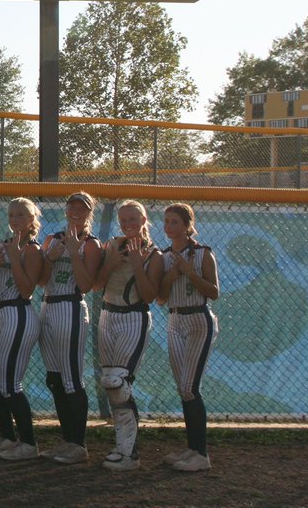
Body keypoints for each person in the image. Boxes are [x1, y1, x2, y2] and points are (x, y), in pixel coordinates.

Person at [93, 199, 164, 471]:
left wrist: (137, 264)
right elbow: (96, 285)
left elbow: (150, 296)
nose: (128, 225)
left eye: (133, 219)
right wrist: (110, 263)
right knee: (110, 384)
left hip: (134, 316)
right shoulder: (111, 245)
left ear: (144, 220)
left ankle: (129, 454)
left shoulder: (154, 254)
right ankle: (121, 447)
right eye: (123, 220)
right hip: (108, 315)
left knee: (118, 381)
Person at [38, 191, 103, 464]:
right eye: (72, 206)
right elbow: (40, 280)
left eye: (82, 208)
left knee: (71, 379)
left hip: (70, 306)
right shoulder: (52, 239)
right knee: (54, 379)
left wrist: (74, 253)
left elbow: (87, 285)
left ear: (90, 213)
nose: (76, 211)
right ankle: (67, 440)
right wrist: (50, 257)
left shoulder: (91, 244)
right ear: (66, 209)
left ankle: (78, 444)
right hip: (47, 305)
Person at [0, 197, 44, 461]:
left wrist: (15, 258)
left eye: (20, 215)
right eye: (11, 215)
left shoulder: (32, 249)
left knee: (9, 384)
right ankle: (7, 438)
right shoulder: (2, 245)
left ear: (31, 220)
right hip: (0, 315)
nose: (14, 220)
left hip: (19, 313)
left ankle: (28, 443)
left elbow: (28, 289)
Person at [157, 203, 219, 472]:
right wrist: (171, 276)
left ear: (187, 225)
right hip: (174, 319)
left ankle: (201, 454)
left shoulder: (202, 253)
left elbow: (214, 292)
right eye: (167, 222)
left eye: (175, 222)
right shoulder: (163, 256)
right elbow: (160, 298)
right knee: (183, 388)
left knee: (191, 387)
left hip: (198, 319)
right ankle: (192, 448)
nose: (169, 227)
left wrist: (190, 273)